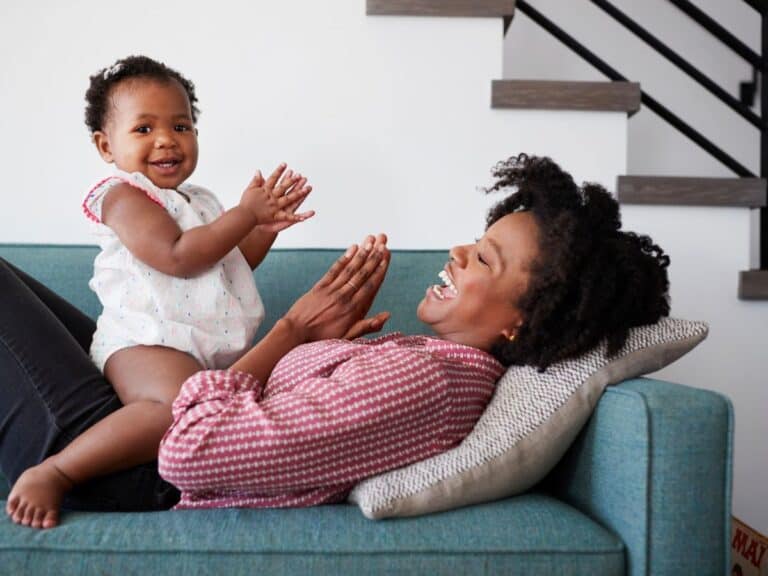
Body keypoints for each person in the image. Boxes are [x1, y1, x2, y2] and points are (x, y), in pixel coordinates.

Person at [0, 153, 670, 525]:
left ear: (522, 320)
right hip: (135, 430)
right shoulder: (428, 360)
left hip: (129, 470)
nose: (458, 251)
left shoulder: (429, 382)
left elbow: (191, 451)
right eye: (477, 238)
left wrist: (291, 332)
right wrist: (321, 349)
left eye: (484, 259)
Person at [4, 55, 314, 528]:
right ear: (106, 145)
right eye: (144, 129)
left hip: (193, 349)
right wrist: (244, 215)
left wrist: (262, 229)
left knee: (189, 408)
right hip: (145, 340)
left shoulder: (200, 201)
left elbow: (225, 265)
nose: (167, 139)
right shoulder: (122, 196)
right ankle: (56, 471)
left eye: (181, 126)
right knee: (173, 411)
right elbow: (177, 255)